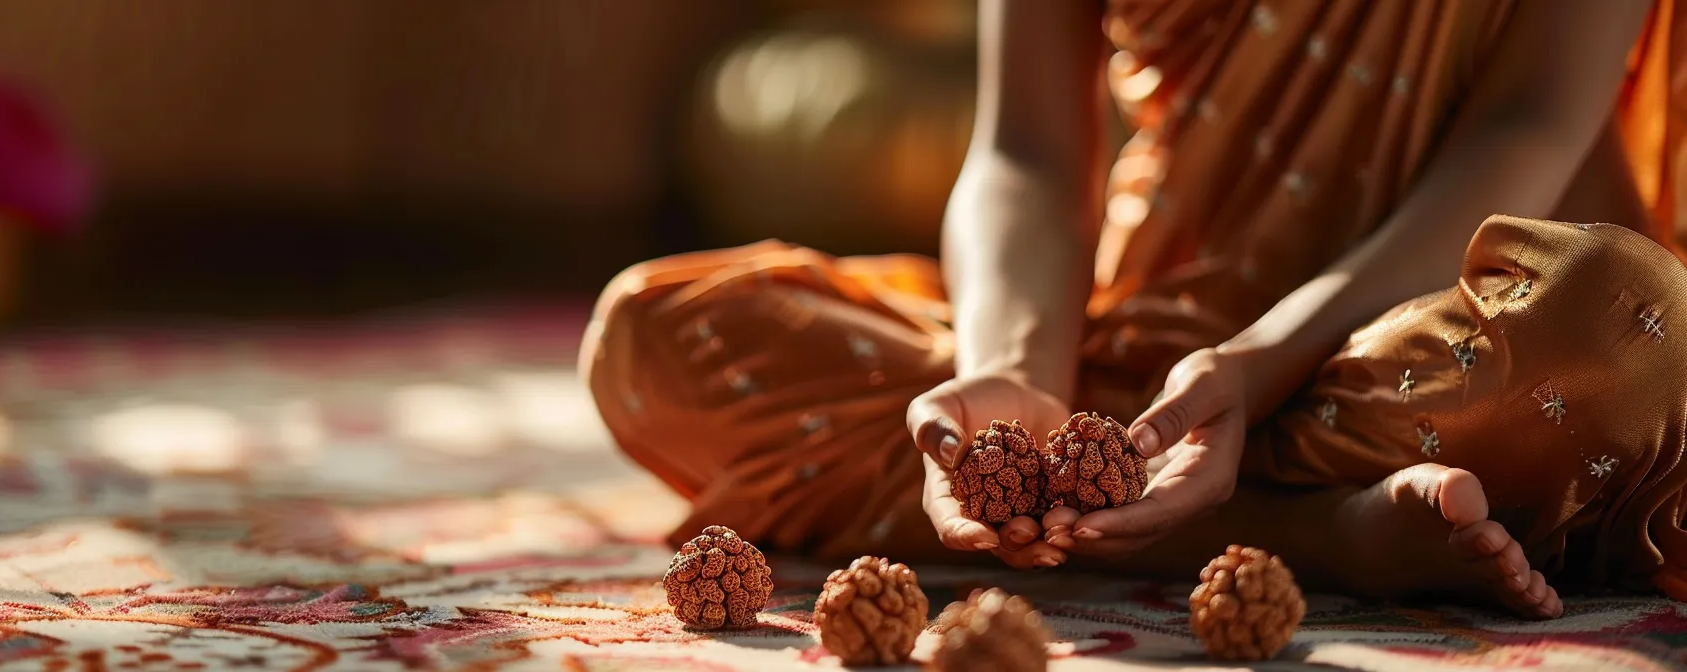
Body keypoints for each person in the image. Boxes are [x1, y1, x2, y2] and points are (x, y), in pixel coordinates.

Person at [581, 0, 1687, 619]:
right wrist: (1022, 375)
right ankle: (1313, 530)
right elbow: (1023, 155)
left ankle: (1184, 496)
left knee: (1623, 329)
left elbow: (1528, 127)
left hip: (1422, 347)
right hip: (1156, 350)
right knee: (656, 334)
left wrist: (1258, 364)